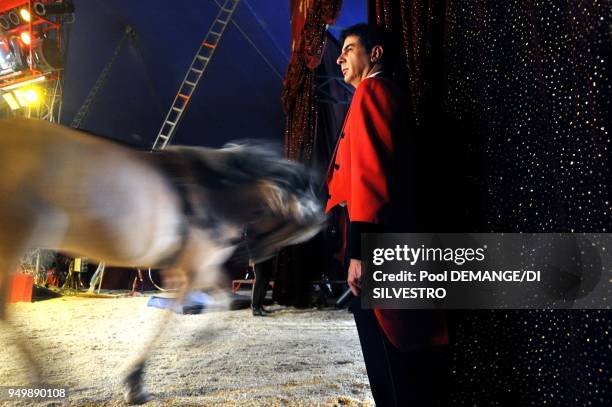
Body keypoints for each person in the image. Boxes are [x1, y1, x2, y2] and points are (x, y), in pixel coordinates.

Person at [326, 23, 450, 406]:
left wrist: (360, 250)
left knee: (388, 354)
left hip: (376, 243)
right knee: (400, 350)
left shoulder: (371, 91)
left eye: (349, 48)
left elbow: (370, 175)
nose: (339, 57)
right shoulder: (383, 93)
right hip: (389, 237)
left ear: (375, 53)